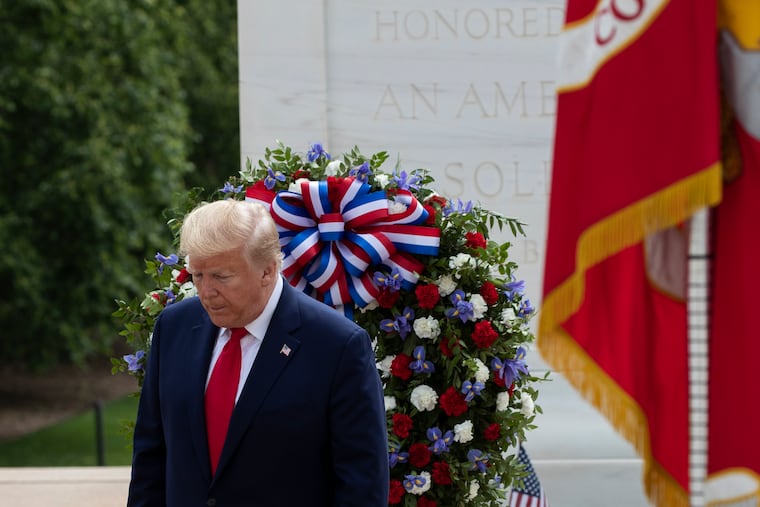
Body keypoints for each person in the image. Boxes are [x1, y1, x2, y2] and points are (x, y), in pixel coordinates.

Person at [127, 199, 389, 506]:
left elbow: (362, 485)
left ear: (267, 271)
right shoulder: (174, 328)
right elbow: (150, 458)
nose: (205, 292)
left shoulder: (338, 346)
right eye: (197, 275)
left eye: (221, 277)